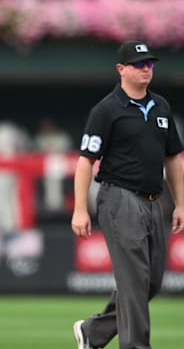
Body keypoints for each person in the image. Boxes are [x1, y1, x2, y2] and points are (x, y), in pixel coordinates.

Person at [71, 40, 184, 349]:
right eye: (139, 64)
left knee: (150, 281)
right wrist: (80, 208)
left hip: (154, 201)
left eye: (149, 63)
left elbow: (173, 157)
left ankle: (94, 332)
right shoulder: (107, 109)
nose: (146, 69)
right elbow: (85, 161)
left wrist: (181, 203)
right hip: (119, 198)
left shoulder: (160, 106)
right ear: (121, 69)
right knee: (134, 281)